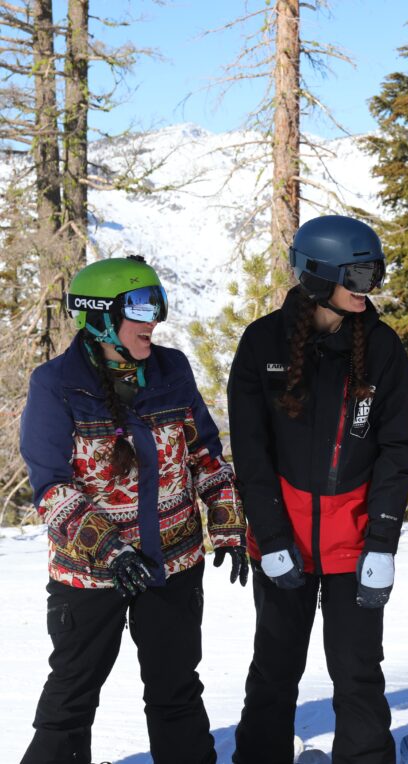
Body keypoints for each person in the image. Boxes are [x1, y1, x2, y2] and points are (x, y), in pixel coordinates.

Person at [19, 256, 247, 764]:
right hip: (90, 573)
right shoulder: (56, 384)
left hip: (173, 564)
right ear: (101, 316)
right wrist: (114, 551)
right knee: (71, 699)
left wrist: (228, 522)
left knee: (176, 691)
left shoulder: (172, 370)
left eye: (157, 305)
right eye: (141, 308)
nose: (154, 320)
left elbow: (204, 455)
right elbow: (52, 487)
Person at [228, 215, 408, 764]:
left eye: (374, 276)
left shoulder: (382, 348)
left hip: (353, 545)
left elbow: (397, 450)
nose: (368, 289)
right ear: (317, 275)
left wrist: (382, 542)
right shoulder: (262, 342)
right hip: (282, 538)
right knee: (275, 669)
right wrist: (270, 536)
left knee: (358, 672)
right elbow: (250, 452)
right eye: (357, 277)